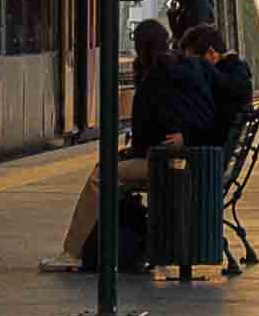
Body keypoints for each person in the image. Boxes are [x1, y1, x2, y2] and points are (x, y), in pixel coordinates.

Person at [54, 16, 211, 270]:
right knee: (113, 168)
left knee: (101, 176)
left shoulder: (156, 80)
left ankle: (72, 251)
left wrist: (135, 151)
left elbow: (146, 132)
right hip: (195, 157)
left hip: (167, 162)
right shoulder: (188, 68)